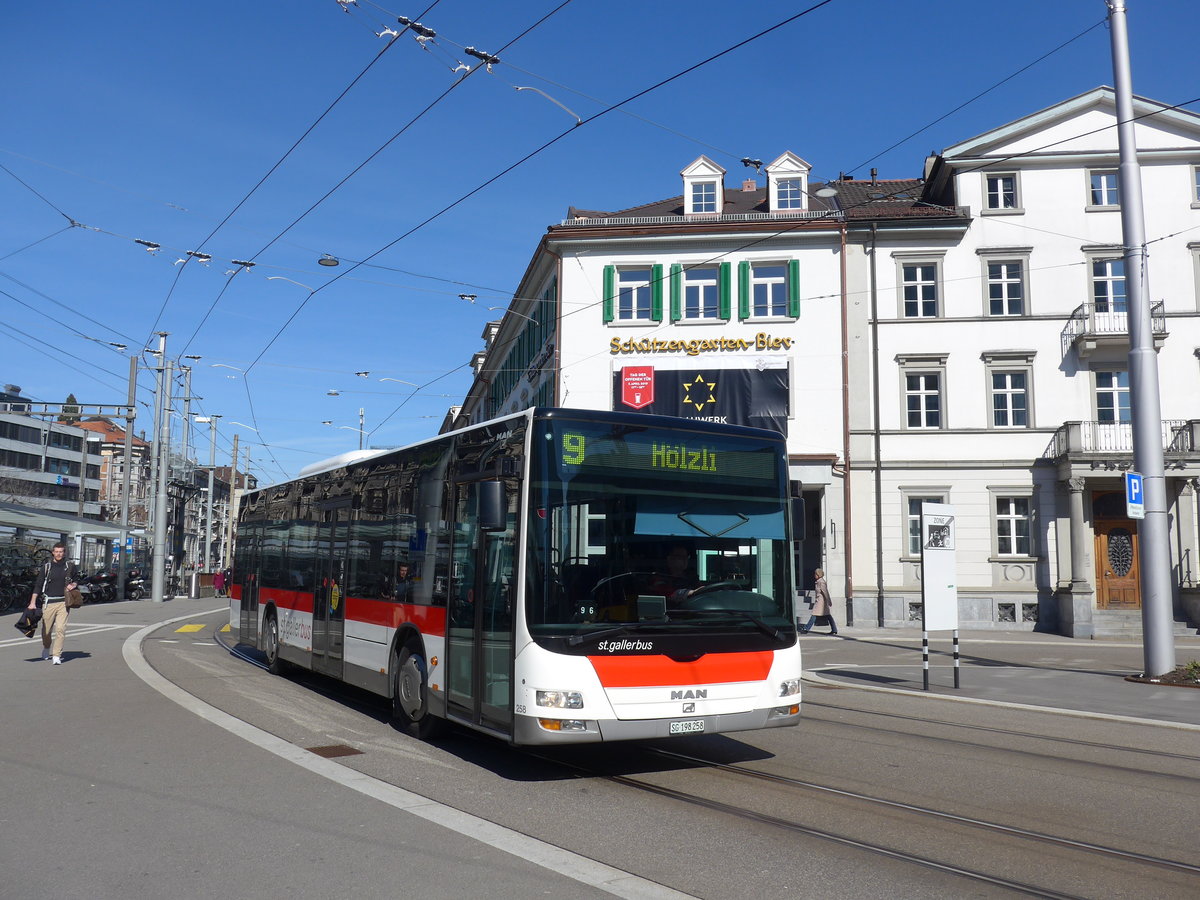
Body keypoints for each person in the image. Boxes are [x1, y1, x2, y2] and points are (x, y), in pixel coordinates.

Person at [29, 541, 79, 665]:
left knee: (61, 629)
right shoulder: (46, 567)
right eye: (56, 552)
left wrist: (74, 584)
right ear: (53, 553)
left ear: (64, 552)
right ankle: (46, 647)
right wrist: (32, 602)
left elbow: (77, 578)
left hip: (63, 602)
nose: (58, 554)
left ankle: (57, 655)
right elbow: (38, 585)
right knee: (46, 631)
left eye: (61, 552)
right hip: (48, 602)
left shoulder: (70, 566)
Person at [800, 567, 838, 635]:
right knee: (828, 616)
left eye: (815, 574)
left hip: (821, 602)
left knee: (814, 615)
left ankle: (806, 629)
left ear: (818, 574)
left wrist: (829, 601)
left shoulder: (821, 582)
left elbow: (825, 592)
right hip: (820, 601)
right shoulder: (818, 582)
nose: (814, 575)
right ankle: (834, 630)